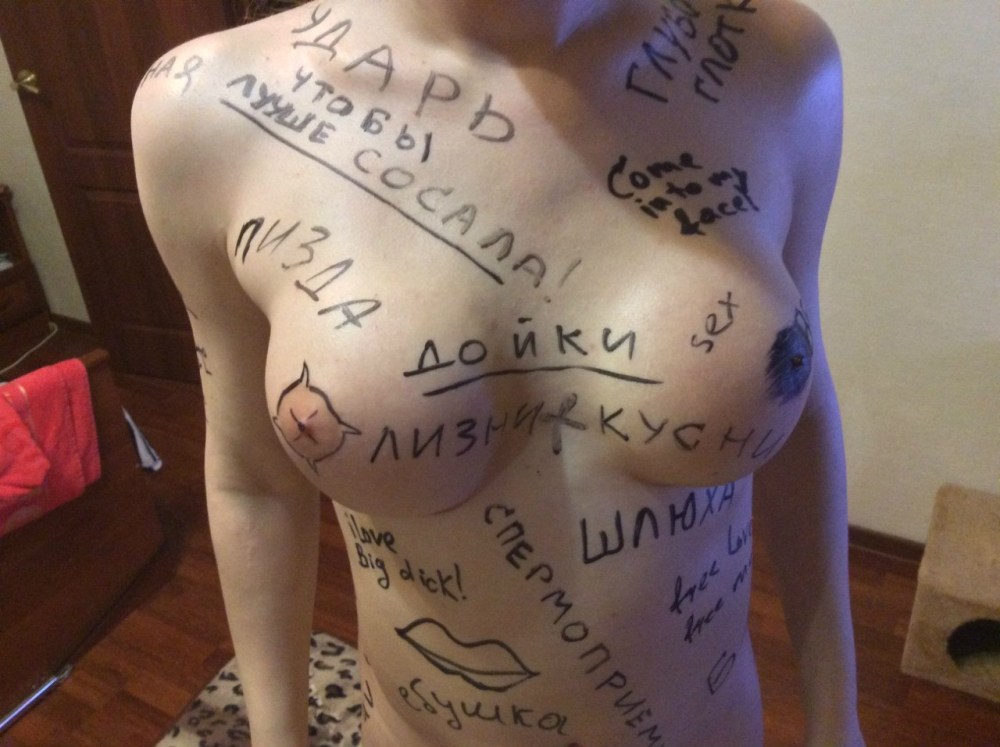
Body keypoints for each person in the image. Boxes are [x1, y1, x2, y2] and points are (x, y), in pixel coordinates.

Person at [132, 1, 864, 744]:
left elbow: (802, 410)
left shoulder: (782, 63)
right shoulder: (206, 107)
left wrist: (838, 721)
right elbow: (255, 481)